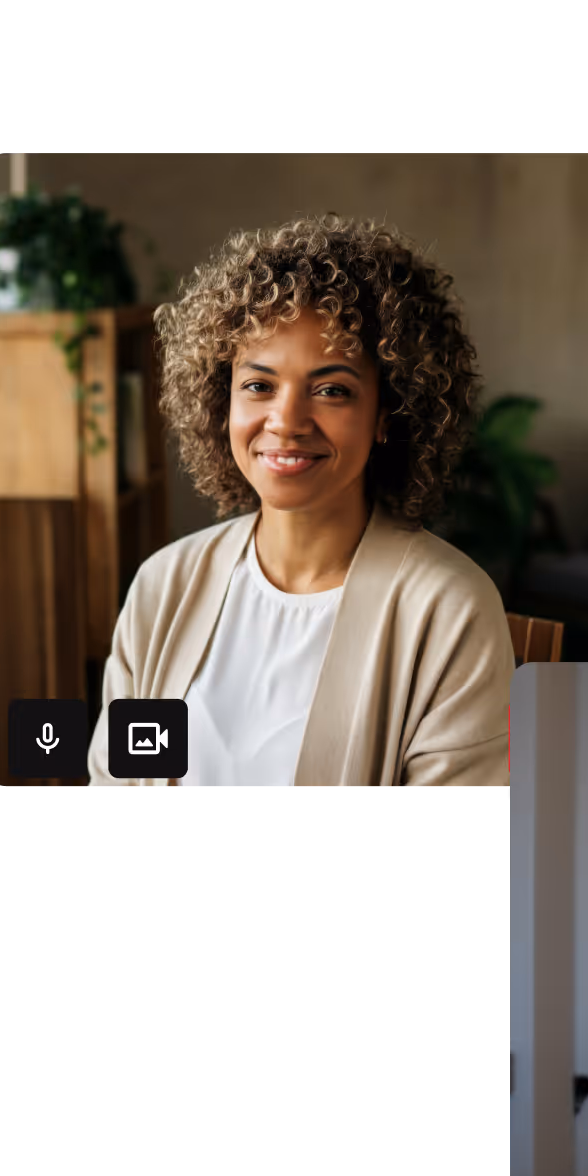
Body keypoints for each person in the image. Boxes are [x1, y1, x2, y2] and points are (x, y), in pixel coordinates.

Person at [86, 212, 511, 786]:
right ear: (221, 401)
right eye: (258, 385)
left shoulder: (449, 611)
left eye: (331, 390)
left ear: (387, 413)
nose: (285, 422)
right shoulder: (164, 586)